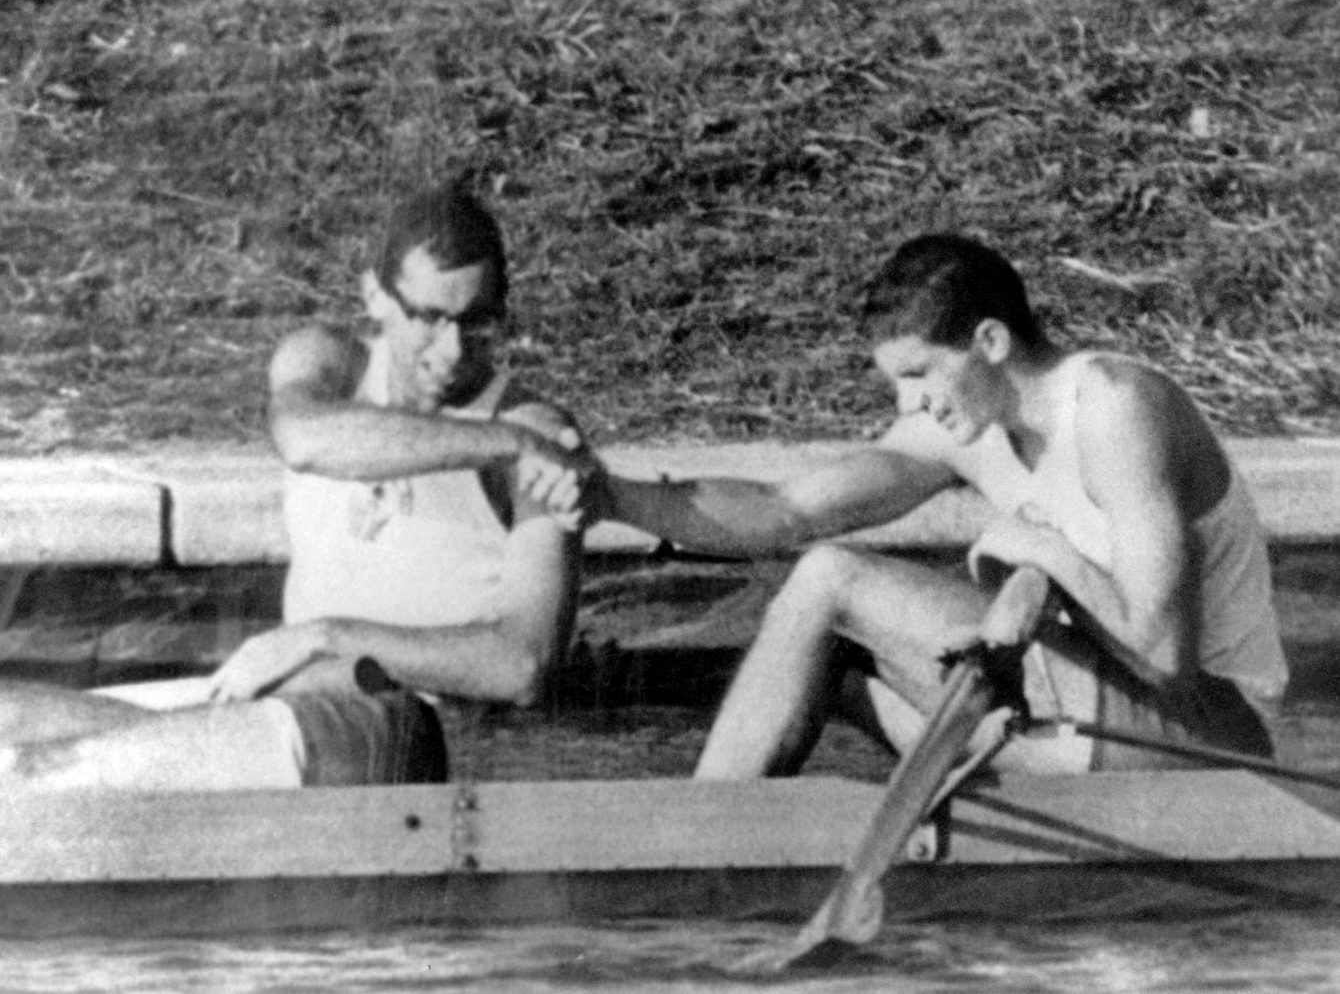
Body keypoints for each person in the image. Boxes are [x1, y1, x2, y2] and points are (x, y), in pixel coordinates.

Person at [592, 233, 1288, 777]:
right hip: (1103, 721)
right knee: (813, 654)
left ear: (989, 341)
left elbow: (1164, 653)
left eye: (919, 374)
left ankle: (703, 838)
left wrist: (1040, 551)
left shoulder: (1114, 408)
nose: (907, 404)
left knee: (833, 577)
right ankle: (722, 853)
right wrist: (611, 496)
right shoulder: (973, 429)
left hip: (1211, 733)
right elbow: (784, 511)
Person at [0, 180, 588, 790]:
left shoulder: (538, 430)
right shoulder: (328, 364)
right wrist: (503, 447)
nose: (453, 349)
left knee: (44, 774)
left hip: (399, 733)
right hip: (289, 707)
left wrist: (324, 638)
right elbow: (307, 441)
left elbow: (523, 665)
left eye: (478, 322)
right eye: (429, 318)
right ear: (374, 295)